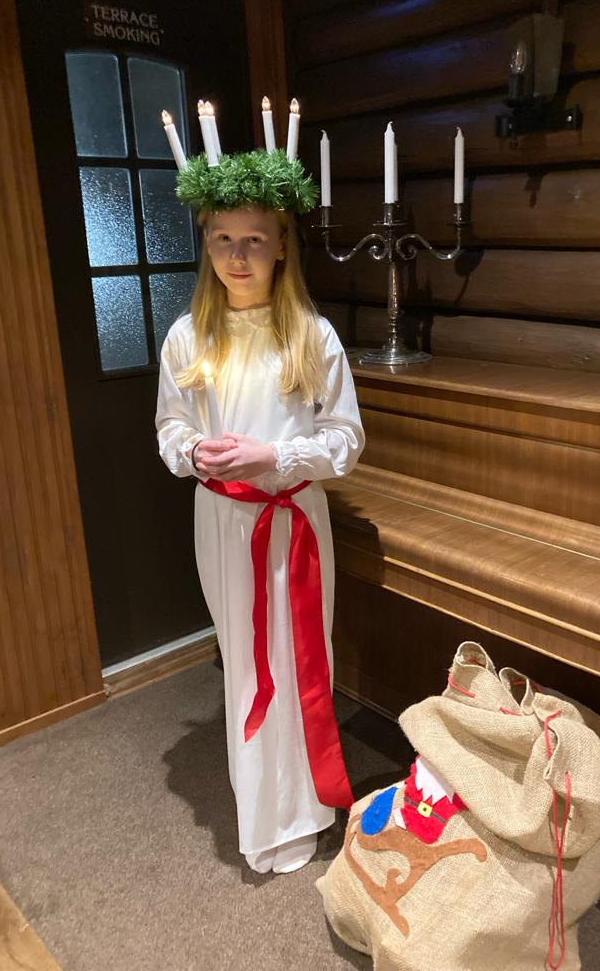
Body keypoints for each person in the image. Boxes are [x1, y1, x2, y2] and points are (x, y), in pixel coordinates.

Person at [155, 148, 365, 875]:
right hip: (225, 525)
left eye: (253, 240)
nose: (237, 256)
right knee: (247, 662)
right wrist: (196, 451)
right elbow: (170, 427)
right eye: (223, 239)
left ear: (281, 246)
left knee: (302, 655)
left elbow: (345, 440)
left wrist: (274, 456)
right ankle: (262, 817)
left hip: (293, 521)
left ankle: (304, 809)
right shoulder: (188, 336)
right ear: (206, 243)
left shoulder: (311, 335)